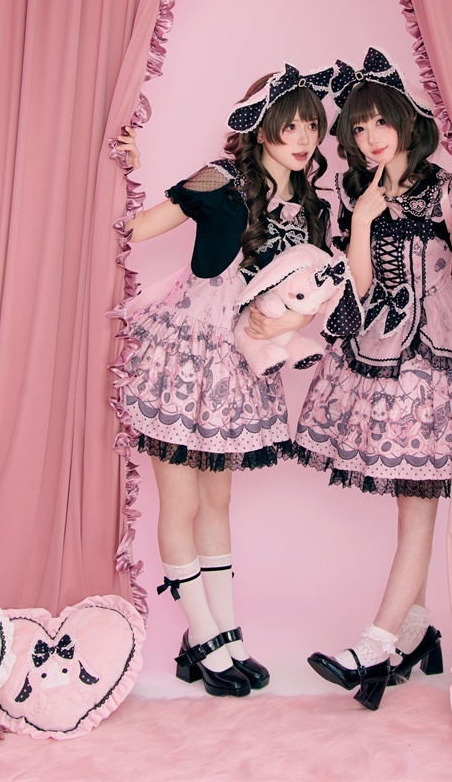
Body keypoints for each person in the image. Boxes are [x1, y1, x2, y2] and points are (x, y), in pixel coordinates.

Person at [117, 64, 332, 698]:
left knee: (218, 502)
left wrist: (287, 322)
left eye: (311, 126)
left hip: (240, 362)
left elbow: (312, 293)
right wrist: (121, 174)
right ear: (261, 130)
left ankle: (224, 632)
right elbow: (133, 228)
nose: (302, 138)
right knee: (181, 503)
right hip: (184, 354)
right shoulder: (219, 179)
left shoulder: (311, 208)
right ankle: (205, 635)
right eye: (289, 126)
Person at [294, 48, 452, 711]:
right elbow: (359, 283)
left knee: (417, 509)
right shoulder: (355, 193)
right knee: (412, 504)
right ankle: (417, 632)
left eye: (380, 121)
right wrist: (364, 221)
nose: (370, 136)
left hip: (434, 361)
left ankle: (374, 647)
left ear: (406, 121)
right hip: (378, 355)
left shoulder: (446, 190)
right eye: (358, 127)